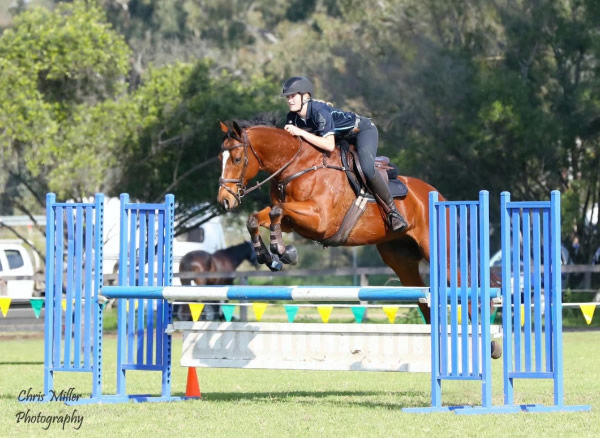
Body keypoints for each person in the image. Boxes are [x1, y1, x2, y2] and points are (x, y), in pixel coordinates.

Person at [281, 76, 408, 232]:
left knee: (367, 168)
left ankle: (393, 212)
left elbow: (328, 145)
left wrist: (300, 132)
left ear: (305, 96)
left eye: (293, 96)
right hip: (342, 139)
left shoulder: (318, 111)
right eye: (288, 97)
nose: (290, 100)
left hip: (362, 131)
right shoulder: (292, 118)